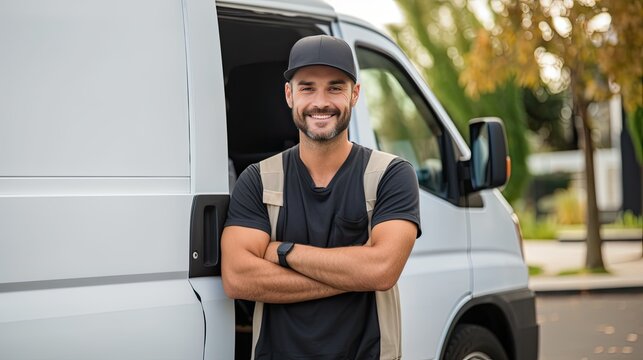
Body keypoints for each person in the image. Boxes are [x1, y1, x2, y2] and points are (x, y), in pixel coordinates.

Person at [221, 35, 421, 360]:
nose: (321, 101)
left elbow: (382, 270)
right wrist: (355, 273)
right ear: (289, 95)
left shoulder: (391, 175)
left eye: (335, 87)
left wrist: (283, 251)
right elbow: (237, 278)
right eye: (307, 87)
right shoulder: (258, 179)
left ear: (355, 94)